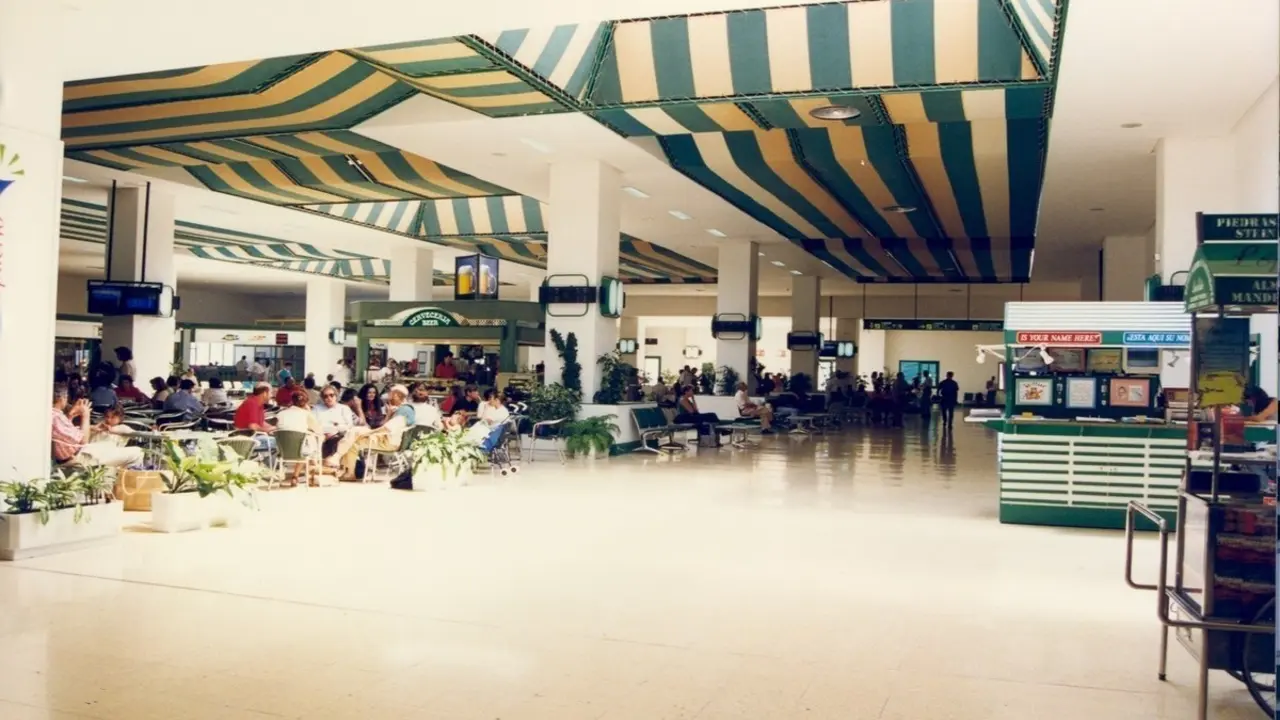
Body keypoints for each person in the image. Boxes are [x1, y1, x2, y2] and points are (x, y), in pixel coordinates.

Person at [332, 384, 415, 479]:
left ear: (396, 395)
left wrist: (370, 432)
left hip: (388, 441)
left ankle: (339, 461)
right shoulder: (403, 409)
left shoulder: (404, 410)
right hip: (387, 439)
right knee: (353, 440)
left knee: (355, 432)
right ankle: (348, 472)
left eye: (390, 394)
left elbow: (386, 428)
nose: (388, 396)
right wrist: (389, 414)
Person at [51, 385, 144, 468]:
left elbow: (67, 432)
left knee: (109, 445)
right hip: (80, 457)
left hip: (79, 453)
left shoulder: (54, 415)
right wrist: (86, 414)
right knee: (138, 452)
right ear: (61, 398)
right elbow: (84, 440)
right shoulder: (56, 416)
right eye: (66, 397)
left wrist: (71, 415)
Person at [275, 389, 323, 486]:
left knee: (302, 440)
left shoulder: (281, 414)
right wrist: (309, 412)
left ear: (292, 401)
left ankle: (301, 474)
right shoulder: (306, 415)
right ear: (306, 403)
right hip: (300, 451)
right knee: (310, 440)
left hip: (282, 450)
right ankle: (297, 475)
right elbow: (318, 431)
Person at [314, 385, 358, 459]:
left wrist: (336, 429)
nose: (329, 398)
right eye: (326, 396)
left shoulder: (344, 408)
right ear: (322, 398)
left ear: (336, 396)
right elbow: (314, 425)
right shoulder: (316, 409)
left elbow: (349, 426)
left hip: (340, 436)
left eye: (331, 395)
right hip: (321, 437)